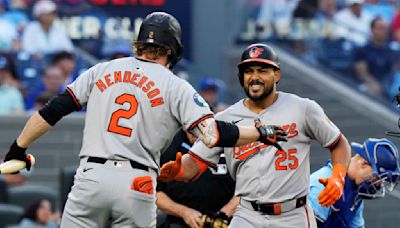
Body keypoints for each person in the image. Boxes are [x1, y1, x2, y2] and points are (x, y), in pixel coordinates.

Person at [2, 12, 286, 228]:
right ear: (172, 49)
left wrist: (18, 148)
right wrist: (260, 132)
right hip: (136, 182)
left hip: (90, 177)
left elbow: (52, 110)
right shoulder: (176, 85)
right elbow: (211, 135)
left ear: (140, 43)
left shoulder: (102, 69)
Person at [158, 43, 352, 228]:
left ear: (277, 75)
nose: (254, 77)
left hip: (293, 213)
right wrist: (178, 171)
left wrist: (338, 175)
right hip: (247, 214)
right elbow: (193, 165)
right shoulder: (225, 119)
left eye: (262, 70)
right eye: (249, 71)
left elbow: (338, 144)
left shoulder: (303, 108)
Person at [308, 138, 400, 228]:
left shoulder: (355, 193)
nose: (377, 185)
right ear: (364, 163)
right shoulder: (324, 183)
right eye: (376, 178)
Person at [156, 129, 238, 228]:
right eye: (191, 130)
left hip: (226, 221)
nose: (195, 133)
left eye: (199, 128)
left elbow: (248, 187)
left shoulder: (227, 139)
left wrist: (223, 215)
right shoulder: (167, 143)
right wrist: (184, 212)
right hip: (179, 222)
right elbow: (155, 192)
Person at [353, 17, 398, 99]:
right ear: (372, 30)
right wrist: (373, 83)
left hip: (387, 84)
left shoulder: (391, 51)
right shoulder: (363, 50)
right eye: (380, 28)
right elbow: (362, 72)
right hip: (369, 84)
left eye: (385, 29)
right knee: (372, 90)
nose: (384, 31)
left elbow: (394, 70)